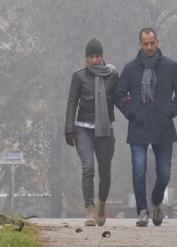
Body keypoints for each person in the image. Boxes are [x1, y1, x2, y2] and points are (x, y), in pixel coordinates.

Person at [115, 27, 177, 227]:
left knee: (164, 172)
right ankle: (142, 211)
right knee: (138, 170)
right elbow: (118, 95)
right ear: (139, 44)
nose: (149, 47)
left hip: (163, 126)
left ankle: (156, 200)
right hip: (139, 127)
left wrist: (171, 110)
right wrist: (132, 113)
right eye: (145, 43)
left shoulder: (170, 66)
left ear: (157, 42)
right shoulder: (131, 69)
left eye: (152, 43)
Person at [64, 38, 120, 227]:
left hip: (105, 131)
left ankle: (101, 204)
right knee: (88, 169)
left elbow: (119, 98)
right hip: (83, 130)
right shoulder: (79, 76)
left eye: (97, 56)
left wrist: (130, 105)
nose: (94, 60)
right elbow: (72, 102)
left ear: (102, 57)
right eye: (91, 57)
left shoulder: (112, 75)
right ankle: (89, 209)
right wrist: (69, 129)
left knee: (105, 172)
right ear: (86, 58)